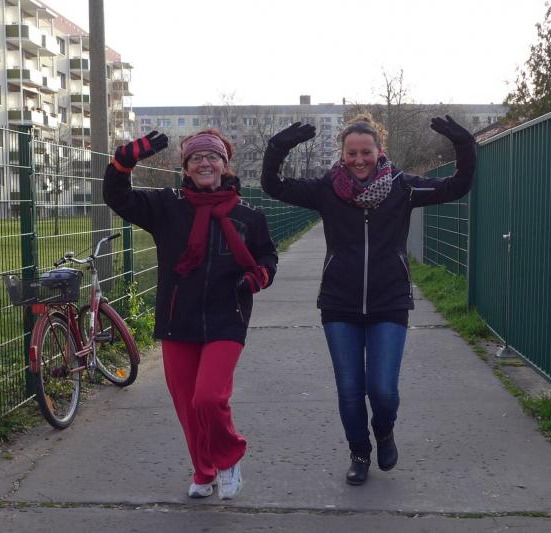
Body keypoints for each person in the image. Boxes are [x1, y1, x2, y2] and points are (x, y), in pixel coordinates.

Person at [261, 113, 475, 485]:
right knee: (349, 390)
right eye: (352, 153)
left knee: (383, 390)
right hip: (339, 304)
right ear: (342, 154)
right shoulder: (326, 189)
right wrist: (278, 147)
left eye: (366, 152)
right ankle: (359, 452)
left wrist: (464, 144)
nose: (359, 159)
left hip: (389, 301)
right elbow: (273, 186)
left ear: (379, 151)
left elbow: (456, 186)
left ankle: (384, 430)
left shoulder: (403, 187)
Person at [103, 128, 278, 500]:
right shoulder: (167, 207)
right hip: (177, 320)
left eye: (212, 157)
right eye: (195, 158)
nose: (204, 163)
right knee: (186, 405)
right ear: (185, 168)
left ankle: (228, 458)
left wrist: (258, 276)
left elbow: (267, 256)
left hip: (227, 318)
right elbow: (118, 197)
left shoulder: (248, 216)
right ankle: (204, 470)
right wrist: (124, 161)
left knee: (208, 398)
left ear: (224, 165)